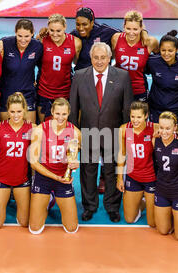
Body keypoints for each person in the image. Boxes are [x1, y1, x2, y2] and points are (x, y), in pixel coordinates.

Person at [69, 42, 133, 223]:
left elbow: (127, 109)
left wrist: (124, 135)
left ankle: (112, 207)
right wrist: (75, 134)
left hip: (113, 133)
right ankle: (89, 206)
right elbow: (73, 108)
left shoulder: (122, 76)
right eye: (95, 57)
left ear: (109, 58)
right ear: (90, 58)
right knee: (88, 171)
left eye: (103, 57)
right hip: (87, 133)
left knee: (112, 170)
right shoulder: (80, 76)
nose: (99, 61)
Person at [28, 98, 81, 234]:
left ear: (69, 113)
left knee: (71, 228)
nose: (60, 117)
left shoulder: (75, 132)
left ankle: (52, 198)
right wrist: (55, 177)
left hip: (63, 179)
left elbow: (75, 153)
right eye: (57, 113)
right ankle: (48, 200)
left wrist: (75, 163)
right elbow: (33, 163)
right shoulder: (40, 130)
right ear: (51, 111)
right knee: (35, 229)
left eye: (64, 114)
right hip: (44, 177)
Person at [0, 92, 35, 228]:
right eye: (12, 111)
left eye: (19, 111)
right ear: (7, 111)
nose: (16, 115)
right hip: (0, 178)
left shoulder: (32, 128)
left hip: (22, 180)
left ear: (25, 110)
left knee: (25, 223)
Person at [153, 111, 178, 241]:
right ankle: (175, 217)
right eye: (161, 128)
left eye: (168, 128)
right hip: (162, 189)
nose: (164, 132)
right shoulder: (156, 140)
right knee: (163, 231)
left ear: (175, 127)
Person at [116, 101, 157, 226]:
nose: (135, 120)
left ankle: (145, 199)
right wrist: (119, 178)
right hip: (133, 176)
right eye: (132, 116)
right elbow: (121, 154)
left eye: (139, 117)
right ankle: (142, 200)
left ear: (146, 115)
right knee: (129, 219)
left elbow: (171, 128)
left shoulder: (154, 127)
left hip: (151, 177)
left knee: (152, 223)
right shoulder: (124, 129)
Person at [36, 14, 82, 123]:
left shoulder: (75, 43)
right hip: (44, 92)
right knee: (45, 127)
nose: (55, 34)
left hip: (64, 92)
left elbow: (76, 63)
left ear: (65, 27)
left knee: (63, 128)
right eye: (52, 30)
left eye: (58, 30)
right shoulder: (42, 40)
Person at [0, 19, 43, 123]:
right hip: (7, 93)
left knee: (30, 131)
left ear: (32, 33)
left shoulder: (37, 46)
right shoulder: (4, 44)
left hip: (28, 94)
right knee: (6, 131)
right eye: (19, 36)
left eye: (27, 36)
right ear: (15, 32)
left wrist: (37, 83)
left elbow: (43, 67)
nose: (23, 40)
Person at [146, 30, 178, 129]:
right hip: (157, 110)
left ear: (176, 50)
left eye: (170, 51)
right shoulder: (152, 61)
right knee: (157, 141)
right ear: (159, 49)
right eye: (163, 50)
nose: (166, 54)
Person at [111, 10, 158, 102]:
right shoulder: (116, 38)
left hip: (139, 90)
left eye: (135, 29)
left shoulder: (150, 42)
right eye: (128, 28)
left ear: (141, 28)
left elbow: (163, 56)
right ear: (124, 27)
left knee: (139, 116)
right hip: (119, 88)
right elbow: (112, 58)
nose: (131, 33)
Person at [70, 7, 120, 71]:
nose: (81, 28)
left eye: (84, 24)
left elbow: (123, 36)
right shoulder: (74, 35)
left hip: (101, 75)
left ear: (92, 22)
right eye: (78, 24)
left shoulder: (105, 32)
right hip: (81, 75)